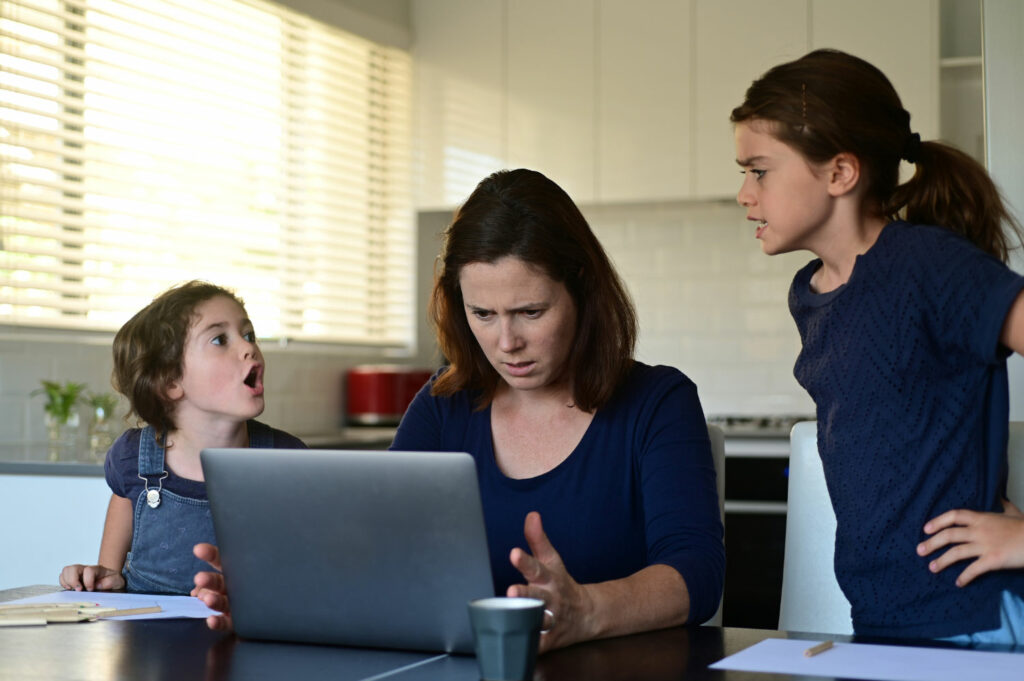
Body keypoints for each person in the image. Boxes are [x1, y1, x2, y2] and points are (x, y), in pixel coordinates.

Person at [193, 169, 725, 652]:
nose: (507, 341)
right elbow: (379, 558)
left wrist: (587, 611)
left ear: (583, 290)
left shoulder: (658, 403)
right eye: (483, 314)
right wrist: (278, 600)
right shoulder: (443, 407)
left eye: (530, 312)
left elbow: (696, 574)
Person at [731, 48, 1024, 643]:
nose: (744, 193)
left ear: (840, 173)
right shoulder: (810, 294)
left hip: (969, 621)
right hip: (883, 622)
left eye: (759, 170)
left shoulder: (927, 265)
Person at [59, 281, 305, 595]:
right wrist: (99, 579)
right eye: (220, 339)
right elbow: (110, 582)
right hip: (148, 643)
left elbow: (302, 581)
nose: (249, 348)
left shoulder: (290, 460)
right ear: (171, 383)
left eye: (248, 335)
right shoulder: (132, 459)